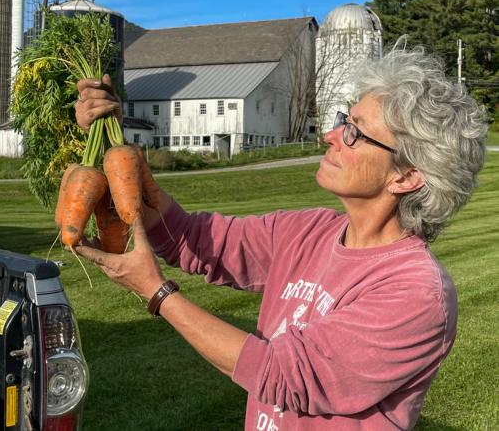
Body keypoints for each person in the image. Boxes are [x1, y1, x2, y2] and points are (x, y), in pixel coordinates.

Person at [74, 47, 487, 430]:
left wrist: (158, 293)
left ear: (407, 175)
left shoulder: (417, 294)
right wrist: (115, 143)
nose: (330, 134)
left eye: (354, 132)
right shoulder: (307, 231)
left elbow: (284, 375)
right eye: (345, 119)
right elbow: (195, 239)